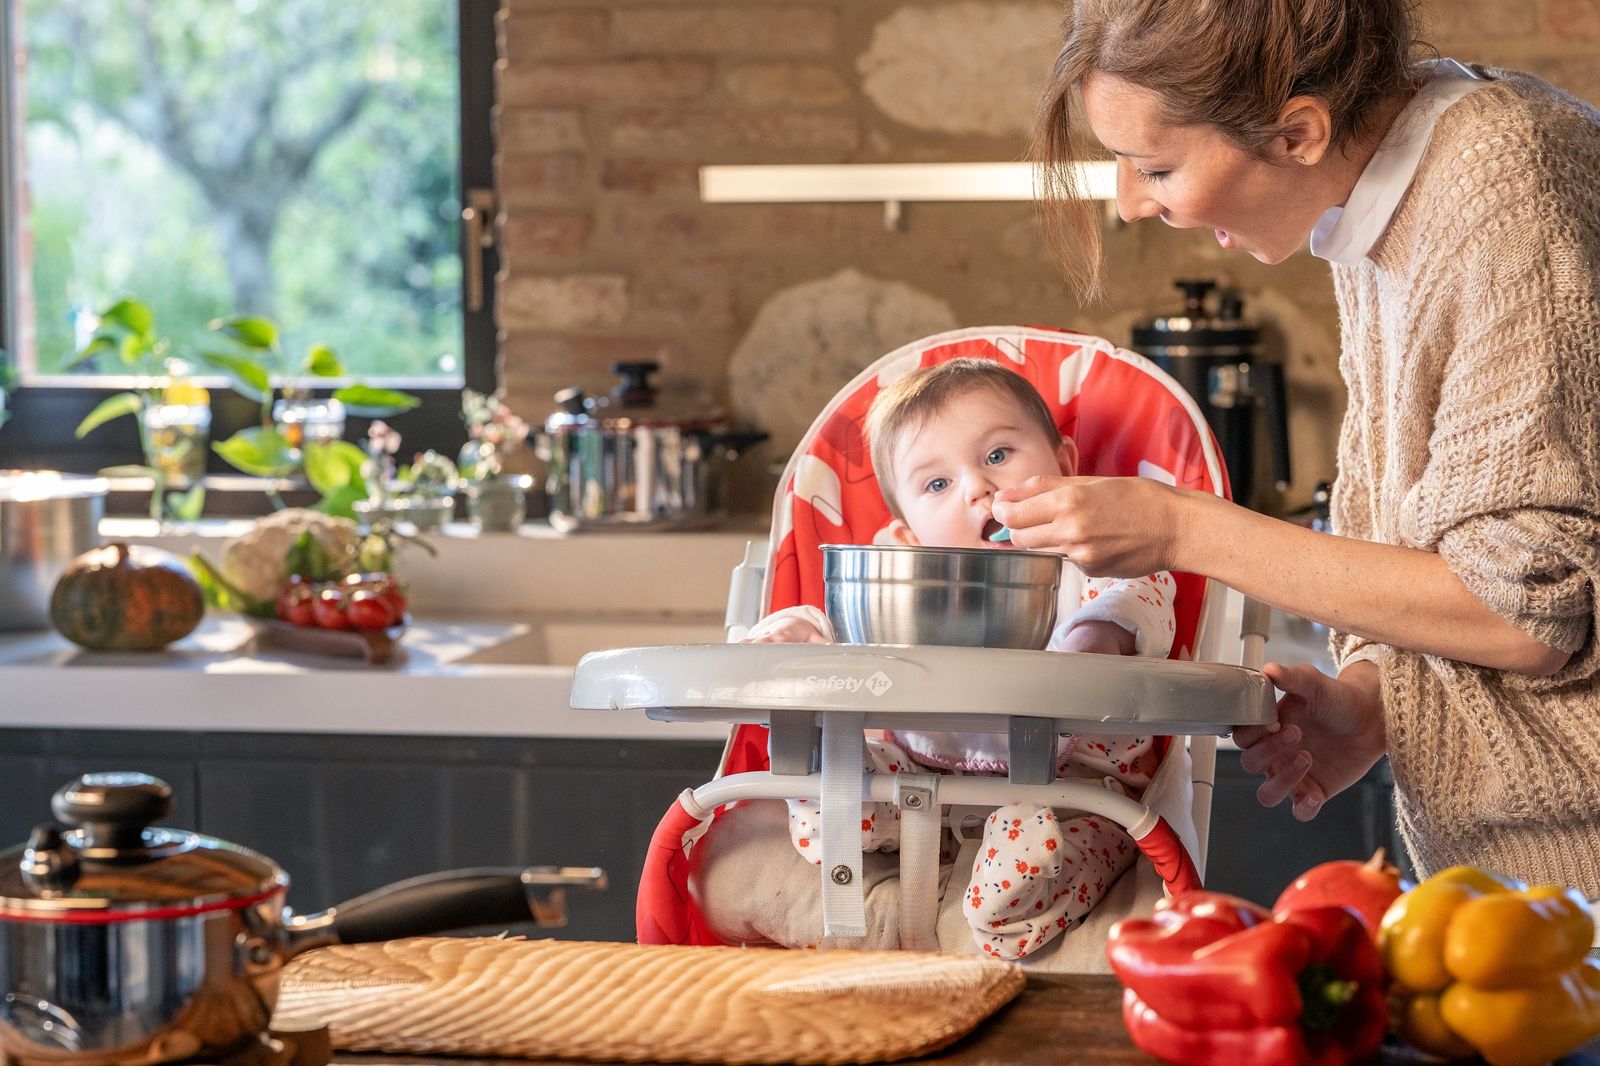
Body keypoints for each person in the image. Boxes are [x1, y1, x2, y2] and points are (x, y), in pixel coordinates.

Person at [993, 0, 1600, 894]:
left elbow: (1526, 614)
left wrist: (1180, 528)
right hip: (1521, 897)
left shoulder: (1505, 191)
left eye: (1155, 167)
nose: (1131, 202)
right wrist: (1378, 701)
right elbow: (1455, 546)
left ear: (1299, 133)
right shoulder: (1385, 200)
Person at [729, 358, 1177, 959]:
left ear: (1066, 466)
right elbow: (847, 629)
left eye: (998, 455)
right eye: (937, 484)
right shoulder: (911, 583)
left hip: (1073, 796)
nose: (978, 488)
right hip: (923, 791)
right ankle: (831, 782)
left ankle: (1007, 907)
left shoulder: (1101, 563)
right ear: (908, 537)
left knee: (1076, 843)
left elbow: (1139, 596)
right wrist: (798, 636)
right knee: (833, 797)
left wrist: (1096, 636)